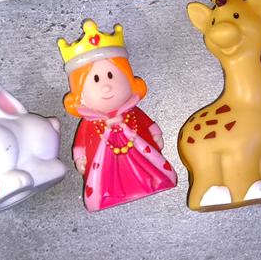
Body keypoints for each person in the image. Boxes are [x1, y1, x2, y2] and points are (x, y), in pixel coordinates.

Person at [58, 20, 177, 212]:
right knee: (108, 177)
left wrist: (155, 134)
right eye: (96, 79)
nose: (106, 86)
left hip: (140, 153)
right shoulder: (89, 122)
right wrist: (80, 158)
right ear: (79, 94)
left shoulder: (132, 111)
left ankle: (154, 181)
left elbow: (147, 123)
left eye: (111, 76)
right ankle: (106, 195)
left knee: (146, 166)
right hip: (104, 164)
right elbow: (80, 143)